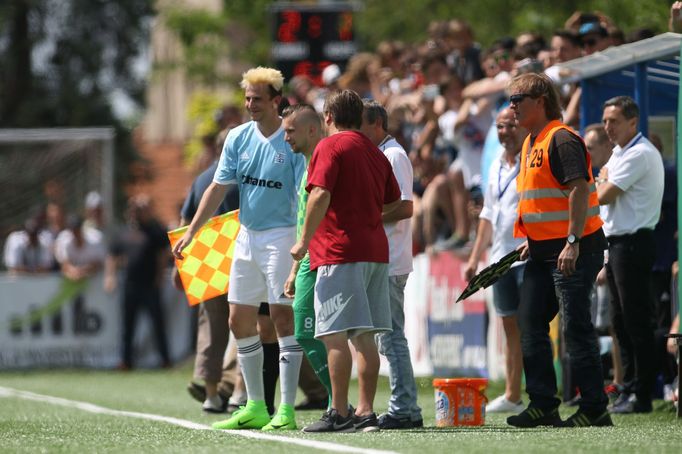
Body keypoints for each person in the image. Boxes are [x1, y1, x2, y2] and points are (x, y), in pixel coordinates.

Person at [172, 67, 306, 431]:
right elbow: (216, 188)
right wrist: (192, 232)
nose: (250, 105)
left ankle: (287, 409)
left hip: (281, 236)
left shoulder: (291, 139)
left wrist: (301, 240)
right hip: (246, 237)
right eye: (247, 99)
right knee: (237, 320)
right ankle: (255, 405)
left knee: (281, 320)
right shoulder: (237, 137)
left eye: (257, 99)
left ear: (276, 100)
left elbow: (303, 195)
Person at [291, 89, 401, 433]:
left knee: (334, 335)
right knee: (364, 336)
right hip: (375, 252)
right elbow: (393, 201)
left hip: (339, 252)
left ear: (327, 117)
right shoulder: (376, 151)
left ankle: (339, 411)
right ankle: (366, 411)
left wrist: (303, 242)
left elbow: (320, 193)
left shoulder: (330, 146)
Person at [506, 73, 611, 428]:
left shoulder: (561, 139)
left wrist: (571, 241)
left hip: (574, 250)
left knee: (575, 328)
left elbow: (579, 192)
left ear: (541, 100)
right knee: (530, 322)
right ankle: (543, 404)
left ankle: (595, 407)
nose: (512, 106)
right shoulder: (530, 142)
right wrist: (534, 240)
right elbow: (543, 202)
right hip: (542, 251)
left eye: (518, 98)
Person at [597, 96, 664, 414]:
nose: (608, 127)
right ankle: (628, 389)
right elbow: (603, 182)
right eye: (606, 121)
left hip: (633, 243)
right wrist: (604, 177)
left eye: (614, 121)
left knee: (636, 320)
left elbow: (604, 194)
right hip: (617, 245)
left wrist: (603, 178)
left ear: (633, 123)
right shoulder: (620, 152)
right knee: (620, 321)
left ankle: (643, 393)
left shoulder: (638, 153)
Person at [360, 100, 423, 429]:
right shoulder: (382, 154)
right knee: (387, 336)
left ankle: (405, 407)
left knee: (391, 336)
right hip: (383, 255)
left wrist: (365, 216)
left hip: (391, 257)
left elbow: (405, 207)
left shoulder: (393, 156)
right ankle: (405, 405)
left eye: (360, 125)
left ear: (377, 125)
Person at [464, 108, 527, 414]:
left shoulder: (532, 161)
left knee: (533, 326)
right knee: (509, 326)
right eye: (500, 127)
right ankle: (514, 395)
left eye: (511, 125)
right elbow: (487, 215)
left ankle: (547, 391)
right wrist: (476, 258)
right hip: (501, 257)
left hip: (529, 254)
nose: (505, 132)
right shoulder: (496, 166)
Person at [174, 128, 241, 413]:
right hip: (240, 252)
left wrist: (180, 265)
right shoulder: (244, 176)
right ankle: (239, 390)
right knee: (246, 326)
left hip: (205, 255)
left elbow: (185, 220)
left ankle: (211, 393)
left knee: (211, 328)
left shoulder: (201, 179)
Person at [281, 103, 333, 409]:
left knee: (315, 332)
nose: (286, 137)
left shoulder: (324, 160)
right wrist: (293, 268)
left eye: (291, 130)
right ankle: (337, 401)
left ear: (312, 130)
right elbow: (304, 219)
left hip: (324, 259)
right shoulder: (307, 164)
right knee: (306, 331)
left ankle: (339, 403)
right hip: (308, 260)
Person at [105, 194, 172, 370]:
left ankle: (165, 360)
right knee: (128, 326)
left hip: (150, 285)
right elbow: (112, 255)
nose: (136, 212)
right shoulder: (123, 232)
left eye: (139, 209)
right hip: (130, 286)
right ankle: (126, 361)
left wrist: (159, 277)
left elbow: (163, 255)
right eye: (134, 209)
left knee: (157, 324)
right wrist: (110, 276)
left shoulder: (155, 231)